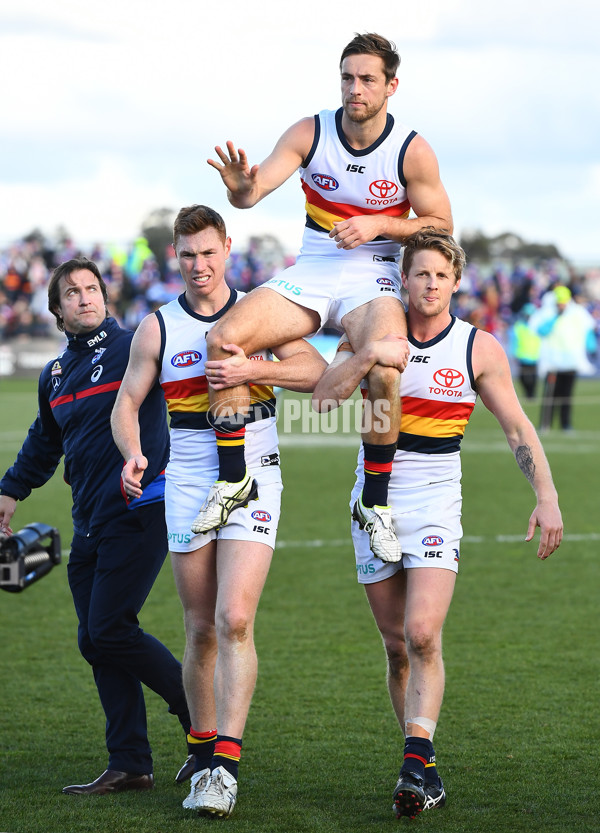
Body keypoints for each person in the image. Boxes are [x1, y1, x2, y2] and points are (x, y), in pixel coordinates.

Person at [311, 228, 563, 819]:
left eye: (440, 276)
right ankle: (424, 765)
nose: (429, 284)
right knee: (397, 646)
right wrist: (369, 355)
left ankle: (411, 765)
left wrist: (546, 496)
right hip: (374, 497)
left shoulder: (479, 348)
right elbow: (325, 396)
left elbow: (518, 428)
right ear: (403, 278)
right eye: (420, 273)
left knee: (424, 633)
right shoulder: (375, 329)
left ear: (455, 283)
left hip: (434, 497)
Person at [198, 32, 453, 563]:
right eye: (347, 77)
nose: (354, 88)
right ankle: (234, 480)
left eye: (366, 79)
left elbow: (443, 226)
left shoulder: (411, 149)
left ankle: (374, 503)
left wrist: (380, 223)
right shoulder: (311, 131)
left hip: (375, 276)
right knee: (223, 339)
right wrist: (239, 187)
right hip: (315, 268)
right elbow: (252, 193)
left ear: (391, 86)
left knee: (387, 365)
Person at [111, 205, 326, 818]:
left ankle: (224, 768)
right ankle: (201, 754)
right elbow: (127, 402)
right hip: (184, 477)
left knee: (234, 619)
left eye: (208, 253)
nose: (199, 266)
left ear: (227, 248)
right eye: (187, 255)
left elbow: (315, 370)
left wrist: (253, 367)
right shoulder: (157, 327)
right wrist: (132, 453)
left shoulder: (258, 315)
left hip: (255, 470)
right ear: (174, 258)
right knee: (200, 626)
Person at [0, 257, 192, 795]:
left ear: (104, 297)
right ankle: (130, 762)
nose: (85, 297)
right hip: (88, 520)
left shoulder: (136, 345)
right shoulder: (54, 375)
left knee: (108, 628)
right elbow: (45, 440)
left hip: (140, 509)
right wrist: (10, 490)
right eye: (72, 292)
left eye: (91, 289)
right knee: (95, 640)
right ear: (57, 309)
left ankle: (202, 720)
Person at [530, 285, 597, 432]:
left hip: (570, 362)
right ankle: (545, 424)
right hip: (552, 363)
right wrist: (555, 318)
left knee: (567, 395)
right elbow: (540, 330)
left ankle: (565, 424)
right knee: (550, 395)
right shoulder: (547, 313)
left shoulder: (577, 313)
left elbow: (588, 330)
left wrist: (591, 347)